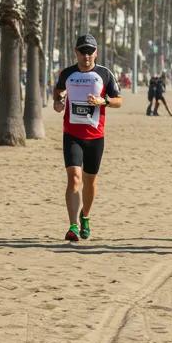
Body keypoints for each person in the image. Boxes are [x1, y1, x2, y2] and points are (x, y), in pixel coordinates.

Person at [52, 34, 122, 243]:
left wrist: (104, 101)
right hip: (72, 135)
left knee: (90, 182)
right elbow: (58, 92)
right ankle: (73, 225)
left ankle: (85, 217)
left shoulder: (104, 74)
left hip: (95, 137)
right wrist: (58, 102)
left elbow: (119, 100)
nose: (86, 55)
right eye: (82, 51)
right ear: (76, 52)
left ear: (96, 52)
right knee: (74, 178)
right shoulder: (68, 74)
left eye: (90, 51)